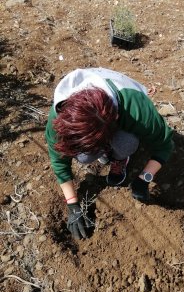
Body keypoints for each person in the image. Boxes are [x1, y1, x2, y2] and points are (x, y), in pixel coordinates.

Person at [45, 67, 174, 239]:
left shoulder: (136, 109)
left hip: (123, 99)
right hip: (102, 118)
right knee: (84, 156)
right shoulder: (60, 119)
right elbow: (59, 162)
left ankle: (120, 158)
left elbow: (164, 145)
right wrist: (72, 205)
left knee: (126, 143)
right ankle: (100, 149)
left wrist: (144, 179)